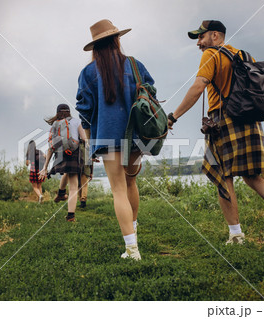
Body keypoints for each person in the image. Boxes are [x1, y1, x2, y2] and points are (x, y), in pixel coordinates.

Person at [167, 20, 264, 246]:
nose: (199, 43)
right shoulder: (245, 56)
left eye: (202, 37)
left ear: (216, 36)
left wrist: (173, 116)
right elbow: (262, 95)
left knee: (223, 176)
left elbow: (198, 86)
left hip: (223, 121)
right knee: (252, 175)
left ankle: (236, 235)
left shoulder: (212, 55)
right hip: (251, 121)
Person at [76, 19, 156, 260]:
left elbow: (84, 109)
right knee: (131, 184)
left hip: (108, 135)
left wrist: (91, 139)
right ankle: (133, 230)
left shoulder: (88, 72)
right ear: (116, 39)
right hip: (136, 135)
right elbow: (150, 92)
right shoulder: (135, 64)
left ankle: (132, 249)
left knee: (118, 190)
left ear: (96, 46)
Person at [39, 103, 87, 222]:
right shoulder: (76, 121)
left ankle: (61, 193)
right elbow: (85, 140)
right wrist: (91, 155)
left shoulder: (55, 125)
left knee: (66, 174)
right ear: (69, 111)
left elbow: (51, 148)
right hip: (74, 153)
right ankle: (71, 215)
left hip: (61, 154)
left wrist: (45, 167)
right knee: (73, 187)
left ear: (58, 113)